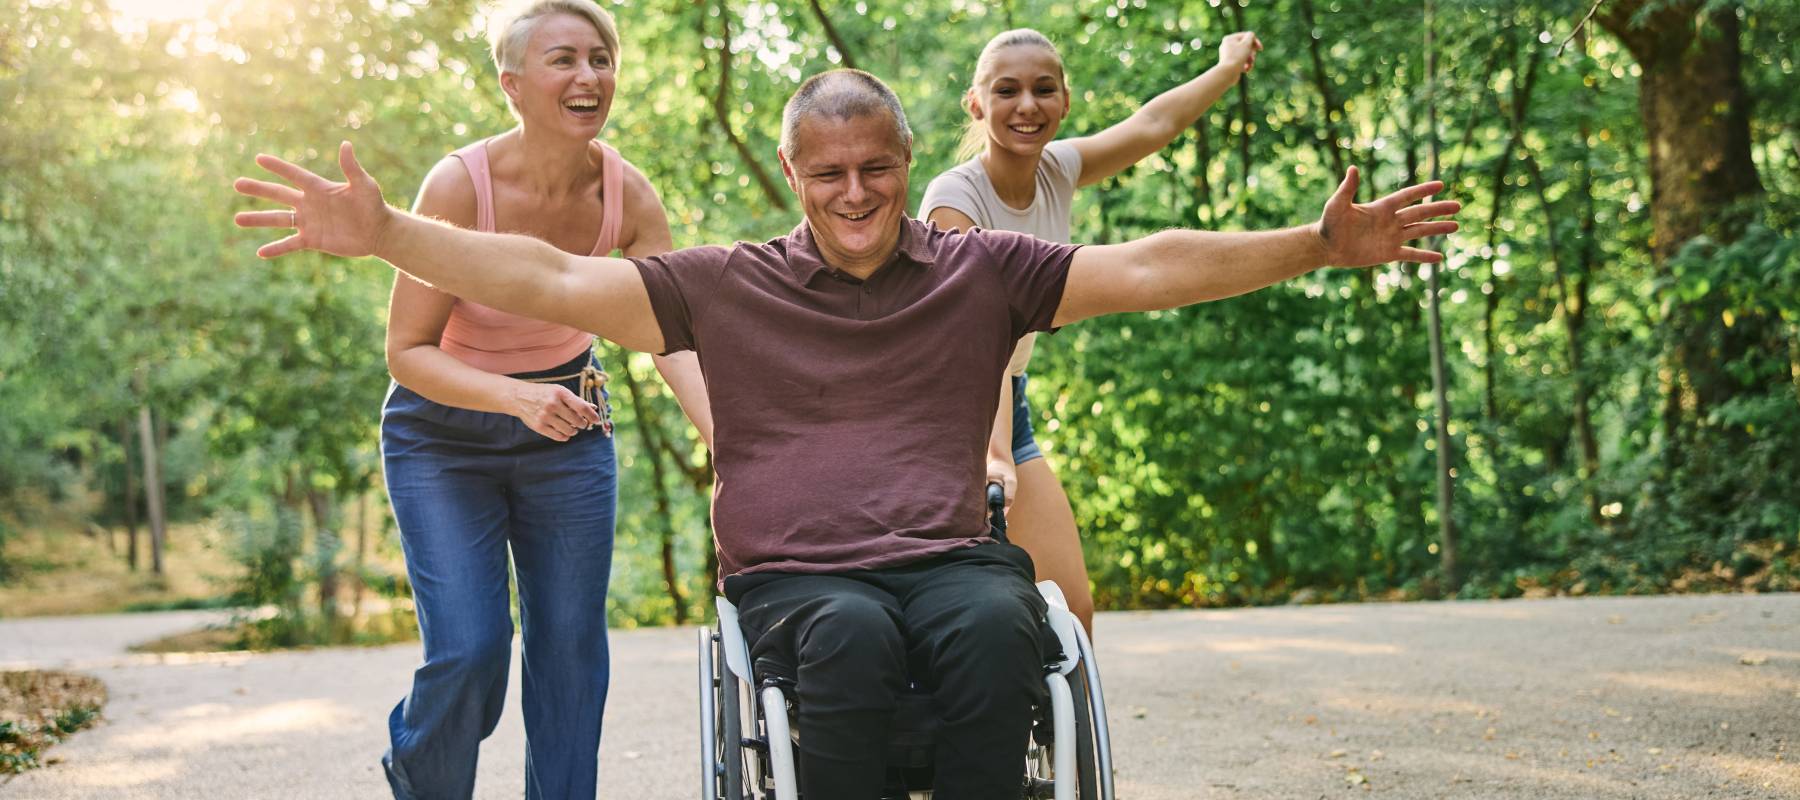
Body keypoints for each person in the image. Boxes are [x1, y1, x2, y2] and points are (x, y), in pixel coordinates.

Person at [233, 68, 1457, 799]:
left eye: (876, 166)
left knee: (997, 620)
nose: (856, 192)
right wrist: (390, 230)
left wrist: (1313, 244)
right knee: (850, 635)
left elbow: (1145, 266)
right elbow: (544, 276)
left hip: (945, 550)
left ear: (908, 160)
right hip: (800, 577)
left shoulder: (984, 271)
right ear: (792, 173)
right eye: (828, 173)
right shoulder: (724, 283)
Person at [375, 2, 709, 798]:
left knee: (569, 654)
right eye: (564, 60)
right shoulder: (460, 185)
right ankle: (422, 776)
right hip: (442, 438)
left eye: (601, 58)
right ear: (513, 84)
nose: (589, 75)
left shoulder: (628, 195)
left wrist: (726, 439)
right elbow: (406, 353)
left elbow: (673, 335)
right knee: (470, 648)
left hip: (569, 437)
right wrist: (513, 400)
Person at [922, 29, 1262, 633]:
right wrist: (994, 452)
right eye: (1007, 91)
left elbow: (1153, 124)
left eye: (1043, 89)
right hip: (943, 405)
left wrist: (1227, 67)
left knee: (1072, 609)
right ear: (976, 104)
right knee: (956, 607)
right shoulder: (955, 199)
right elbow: (979, 343)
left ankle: (1056, 725)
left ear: (1065, 101)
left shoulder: (1058, 169)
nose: (1027, 104)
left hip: (1009, 403)